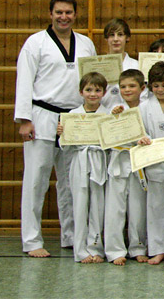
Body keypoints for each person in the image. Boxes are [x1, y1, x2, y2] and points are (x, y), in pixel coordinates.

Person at [14, 0, 97, 258]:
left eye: (68, 13)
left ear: (75, 15)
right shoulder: (35, 43)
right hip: (42, 116)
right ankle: (31, 240)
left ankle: (71, 236)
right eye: (59, 12)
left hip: (74, 118)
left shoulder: (85, 43)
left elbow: (93, 81)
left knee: (70, 182)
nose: (64, 17)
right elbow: (24, 81)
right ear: (50, 14)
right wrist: (24, 119)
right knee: (36, 180)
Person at [56, 72, 108, 263]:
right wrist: (62, 133)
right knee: (79, 205)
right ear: (81, 92)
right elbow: (66, 145)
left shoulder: (108, 113)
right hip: (79, 160)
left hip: (99, 160)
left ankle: (95, 248)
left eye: (97, 90)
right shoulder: (72, 115)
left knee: (97, 206)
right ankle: (80, 250)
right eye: (88, 90)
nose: (92, 94)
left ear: (104, 92)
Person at [137, 62, 164, 264]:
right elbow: (140, 131)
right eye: (156, 86)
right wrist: (143, 138)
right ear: (150, 86)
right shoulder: (144, 107)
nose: (160, 89)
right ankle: (157, 249)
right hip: (154, 160)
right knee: (156, 206)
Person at [104, 69, 148, 266]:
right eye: (123, 87)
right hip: (118, 162)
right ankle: (114, 250)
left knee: (138, 208)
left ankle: (138, 247)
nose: (127, 90)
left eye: (132, 86)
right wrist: (114, 119)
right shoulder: (114, 110)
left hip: (139, 162)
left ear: (142, 88)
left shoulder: (148, 109)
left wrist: (147, 140)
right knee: (115, 208)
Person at [101, 18, 142, 109]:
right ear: (106, 39)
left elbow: (143, 95)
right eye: (111, 35)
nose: (116, 39)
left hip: (131, 114)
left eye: (120, 35)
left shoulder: (137, 65)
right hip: (104, 114)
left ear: (127, 38)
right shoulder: (97, 66)